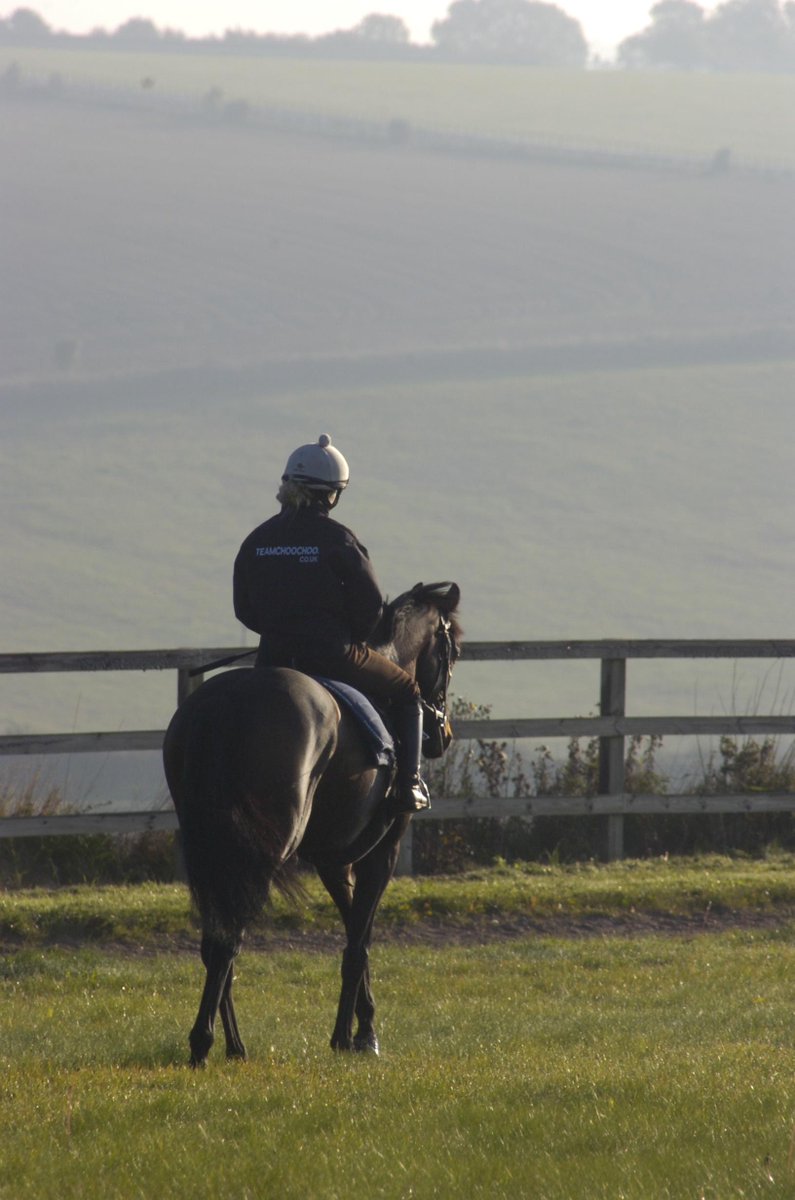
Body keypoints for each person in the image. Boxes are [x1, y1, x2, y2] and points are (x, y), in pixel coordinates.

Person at [233, 433, 430, 813]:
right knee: (408, 691)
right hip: (334, 654)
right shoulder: (339, 539)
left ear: (286, 486)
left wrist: (279, 631)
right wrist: (348, 637)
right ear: (332, 495)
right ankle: (409, 785)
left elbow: (244, 609)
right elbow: (371, 605)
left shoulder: (257, 539)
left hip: (273, 656)